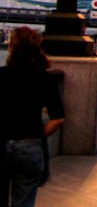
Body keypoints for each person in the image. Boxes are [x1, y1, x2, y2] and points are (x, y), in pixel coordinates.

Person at [0, 27, 64, 207]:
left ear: (12, 47)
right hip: (30, 145)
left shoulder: (1, 75)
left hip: (1, 144)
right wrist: (37, 135)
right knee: (24, 202)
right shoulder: (45, 78)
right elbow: (57, 119)